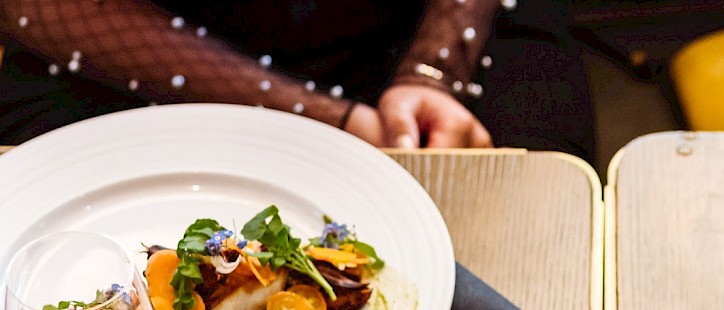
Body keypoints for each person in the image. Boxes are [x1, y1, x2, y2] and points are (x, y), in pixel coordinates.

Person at [0, 0, 594, 162]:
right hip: (134, 51)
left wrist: (433, 71)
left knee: (530, 213)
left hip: (416, 31)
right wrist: (324, 120)